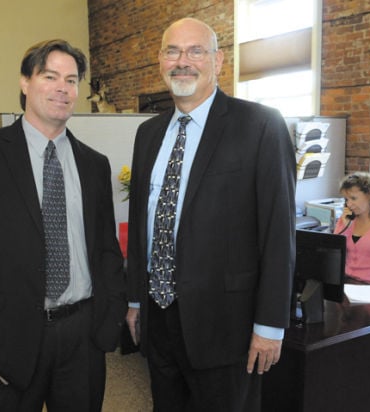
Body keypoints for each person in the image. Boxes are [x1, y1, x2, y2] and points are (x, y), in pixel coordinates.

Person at [0, 39, 127, 411]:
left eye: (71, 80)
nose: (62, 88)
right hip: (7, 337)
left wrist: (109, 321)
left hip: (82, 336)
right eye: (50, 76)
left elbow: (105, 249)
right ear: (25, 82)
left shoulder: (94, 164)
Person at [125, 18, 296, 411]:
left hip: (227, 326)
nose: (182, 62)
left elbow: (278, 234)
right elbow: (140, 226)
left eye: (195, 51)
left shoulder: (261, 126)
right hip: (159, 317)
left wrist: (270, 325)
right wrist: (135, 300)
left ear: (217, 61)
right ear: (160, 61)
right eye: (172, 51)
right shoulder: (148, 134)